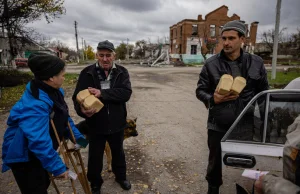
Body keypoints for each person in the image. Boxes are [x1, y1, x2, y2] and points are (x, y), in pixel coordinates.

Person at [195, 20, 269, 194]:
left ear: (242, 39)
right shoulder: (211, 64)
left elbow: (264, 93)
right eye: (224, 38)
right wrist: (213, 98)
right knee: (214, 161)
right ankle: (212, 189)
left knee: (250, 160)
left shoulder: (256, 62)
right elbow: (200, 90)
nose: (226, 42)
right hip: (218, 123)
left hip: (247, 122)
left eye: (231, 38)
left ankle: (246, 189)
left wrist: (266, 120)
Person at [1, 53, 87, 194]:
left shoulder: (54, 91)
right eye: (62, 75)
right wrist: (57, 167)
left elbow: (64, 118)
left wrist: (79, 139)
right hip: (26, 158)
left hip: (40, 153)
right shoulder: (35, 104)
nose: (64, 77)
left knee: (44, 183)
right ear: (51, 77)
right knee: (36, 189)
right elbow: (38, 140)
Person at [72, 40, 132, 194]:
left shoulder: (122, 72)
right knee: (95, 156)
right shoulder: (87, 72)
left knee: (118, 153)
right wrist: (82, 111)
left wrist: (102, 93)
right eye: (101, 55)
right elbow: (77, 97)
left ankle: (121, 177)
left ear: (114, 55)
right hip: (95, 124)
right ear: (97, 55)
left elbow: (126, 93)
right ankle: (95, 182)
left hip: (117, 122)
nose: (105, 59)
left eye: (108, 55)